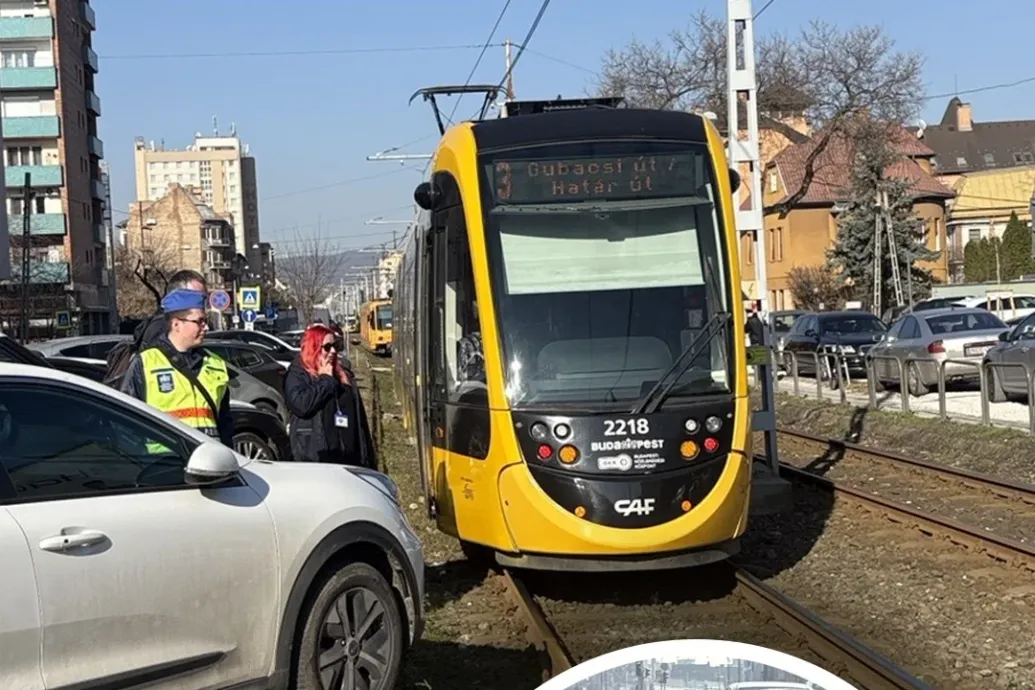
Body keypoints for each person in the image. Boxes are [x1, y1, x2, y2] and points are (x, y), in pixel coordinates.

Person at [120, 288, 234, 448]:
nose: (206, 327)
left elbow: (225, 424)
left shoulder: (215, 364)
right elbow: (127, 423)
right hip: (164, 464)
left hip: (210, 462)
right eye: (199, 321)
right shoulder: (146, 362)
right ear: (176, 324)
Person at [284, 324, 375, 467]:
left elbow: (360, 422)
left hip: (350, 460)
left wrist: (369, 460)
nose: (333, 351)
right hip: (318, 462)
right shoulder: (297, 375)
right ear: (313, 348)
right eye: (327, 347)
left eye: (335, 346)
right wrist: (325, 380)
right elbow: (301, 405)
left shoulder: (343, 374)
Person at [104, 270, 208, 387]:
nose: (200, 301)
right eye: (195, 296)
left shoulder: (210, 360)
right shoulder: (160, 327)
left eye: (203, 297)